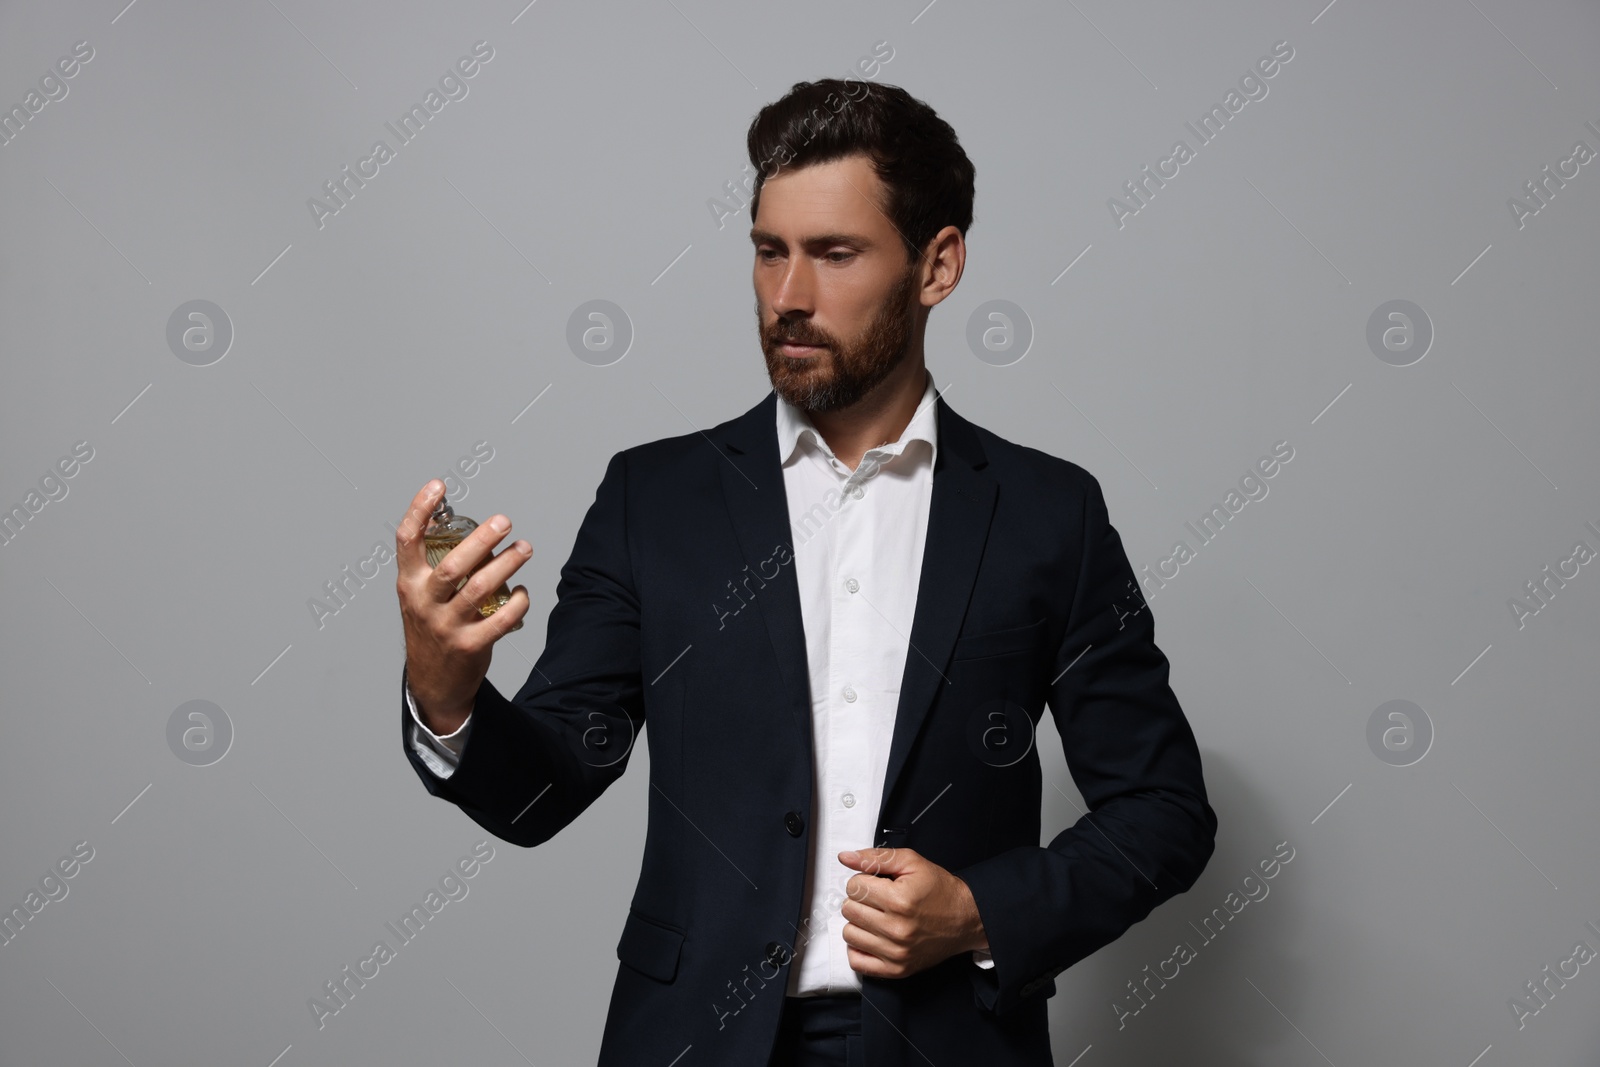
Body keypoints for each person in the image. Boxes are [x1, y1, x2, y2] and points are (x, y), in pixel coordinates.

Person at [394, 78, 1216, 1067]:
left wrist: (977, 910)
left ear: (937, 264)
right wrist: (449, 694)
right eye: (768, 250)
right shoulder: (653, 499)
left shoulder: (1048, 512)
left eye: (834, 254)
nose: (788, 294)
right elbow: (547, 788)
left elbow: (1162, 811)